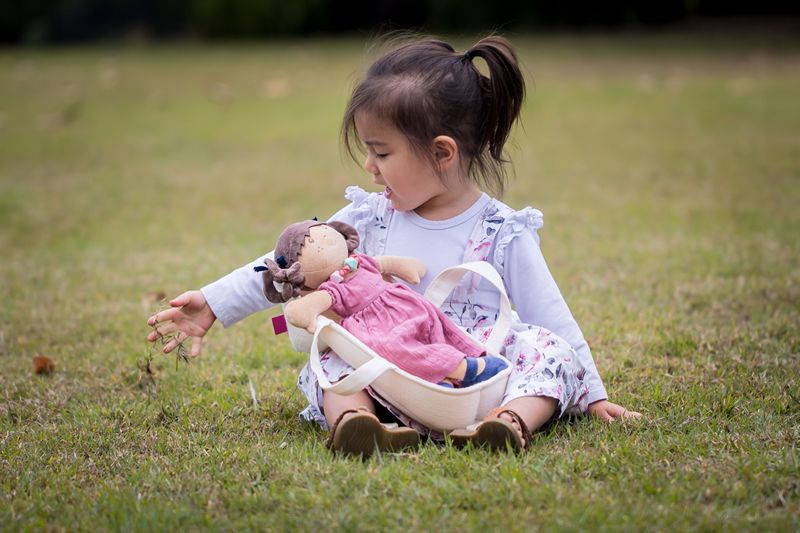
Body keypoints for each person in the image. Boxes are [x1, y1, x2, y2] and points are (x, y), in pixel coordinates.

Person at [147, 34, 641, 456]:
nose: (370, 166)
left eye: (381, 151)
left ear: (442, 153)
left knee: (546, 348)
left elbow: (551, 316)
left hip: (473, 378)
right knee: (331, 357)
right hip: (384, 369)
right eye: (368, 150)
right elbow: (292, 264)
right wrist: (214, 302)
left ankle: (507, 424)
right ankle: (359, 425)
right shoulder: (366, 218)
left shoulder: (502, 230)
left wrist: (591, 395)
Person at [258, 219, 510, 388]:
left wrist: (404, 266)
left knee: (436, 322)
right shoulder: (332, 287)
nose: (327, 240)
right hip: (375, 325)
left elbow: (383, 264)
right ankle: (464, 369)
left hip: (402, 302)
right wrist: (303, 310)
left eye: (324, 233)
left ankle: (466, 355)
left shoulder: (358, 262)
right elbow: (314, 303)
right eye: (312, 243)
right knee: (396, 349)